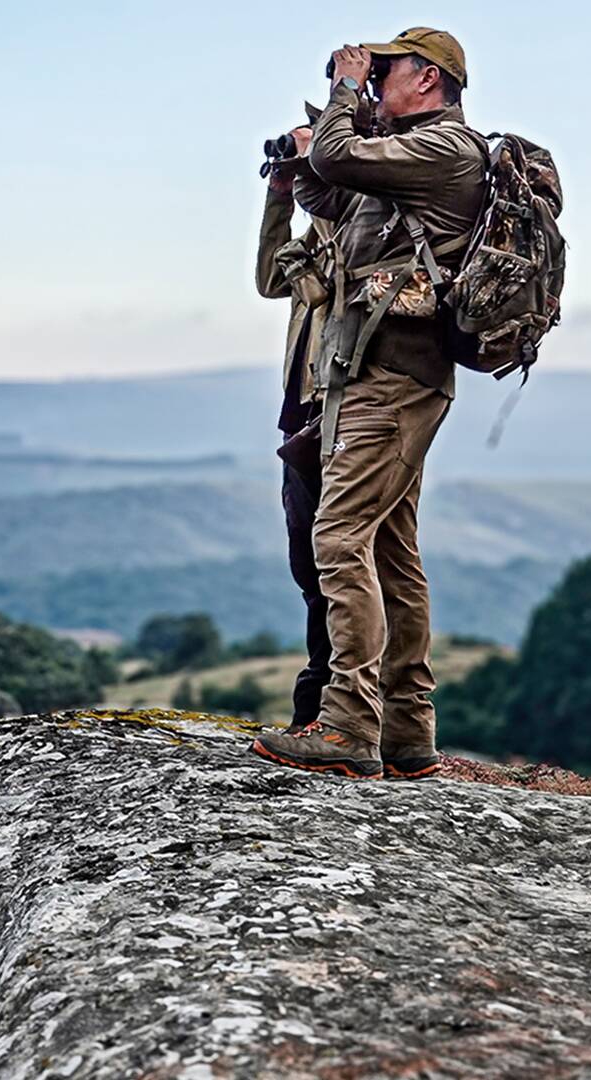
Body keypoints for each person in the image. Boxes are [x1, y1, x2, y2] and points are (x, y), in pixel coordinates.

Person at [251, 28, 487, 780]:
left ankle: (351, 725)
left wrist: (345, 97)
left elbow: (338, 156)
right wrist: (294, 167)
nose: (374, 79)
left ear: (428, 79)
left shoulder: (447, 149)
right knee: (391, 550)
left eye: (386, 71)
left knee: (339, 534)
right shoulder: (402, 159)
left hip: (394, 378)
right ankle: (410, 731)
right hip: (374, 374)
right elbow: (330, 190)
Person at [254, 125, 334, 734]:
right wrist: (280, 193)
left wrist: (316, 170)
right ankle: (319, 699)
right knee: (307, 563)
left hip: (337, 411)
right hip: (299, 416)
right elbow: (268, 281)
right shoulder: (318, 231)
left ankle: (328, 702)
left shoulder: (358, 220)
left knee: (335, 559)